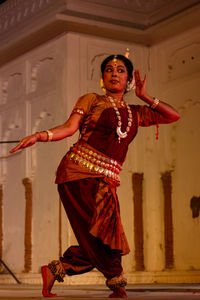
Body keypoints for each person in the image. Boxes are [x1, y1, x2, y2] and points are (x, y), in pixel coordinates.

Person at [10, 54, 180, 298]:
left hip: (106, 180)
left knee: (103, 235)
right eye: (109, 70)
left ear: (129, 79)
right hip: (76, 173)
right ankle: (117, 285)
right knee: (105, 235)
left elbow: (173, 115)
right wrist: (40, 135)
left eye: (120, 70)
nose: (114, 73)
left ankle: (58, 269)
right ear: (102, 77)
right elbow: (69, 128)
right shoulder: (92, 99)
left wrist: (145, 96)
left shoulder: (137, 112)